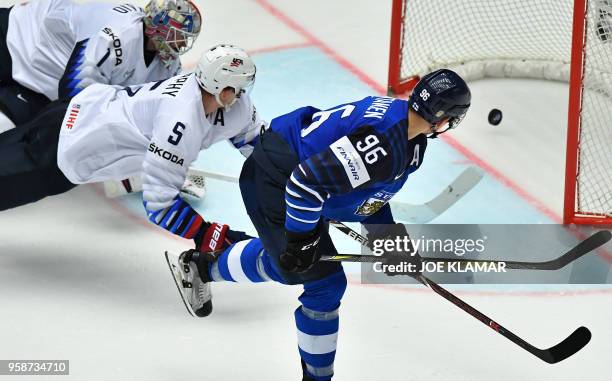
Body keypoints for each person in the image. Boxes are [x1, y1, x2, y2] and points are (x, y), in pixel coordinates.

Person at [167, 69, 472, 380]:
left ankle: (202, 266)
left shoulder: (408, 137)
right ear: (445, 118)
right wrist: (302, 240)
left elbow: (369, 193)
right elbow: (305, 184)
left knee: (291, 263)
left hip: (297, 178)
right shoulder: (387, 142)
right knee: (324, 284)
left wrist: (389, 242)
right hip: (277, 181)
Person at [0, 44, 263, 317]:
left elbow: (259, 140)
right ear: (222, 87)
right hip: (68, 147)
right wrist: (205, 233)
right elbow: (159, 204)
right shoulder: (179, 119)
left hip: (78, 113)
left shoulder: (227, 105)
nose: (242, 95)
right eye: (239, 87)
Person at [0, 0, 202, 133]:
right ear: (160, 26)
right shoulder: (117, 34)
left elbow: (165, 108)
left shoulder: (168, 64)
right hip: (17, 36)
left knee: (8, 130)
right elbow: (74, 91)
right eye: (180, 36)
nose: (183, 44)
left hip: (40, 85)